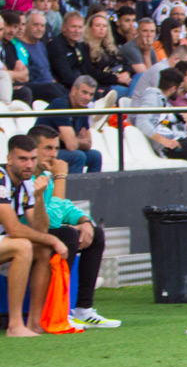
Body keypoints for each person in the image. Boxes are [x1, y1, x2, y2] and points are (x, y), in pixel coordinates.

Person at [26, 126, 120, 327]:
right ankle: (60, 310)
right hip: (26, 235)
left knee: (95, 234)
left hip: (41, 232)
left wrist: (84, 221)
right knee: (67, 234)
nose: (54, 154)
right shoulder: (28, 178)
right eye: (48, 148)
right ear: (33, 149)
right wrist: (61, 178)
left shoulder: (46, 175)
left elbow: (64, 206)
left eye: (56, 148)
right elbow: (51, 222)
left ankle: (83, 309)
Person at [1, 134, 67, 337]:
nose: (29, 165)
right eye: (22, 159)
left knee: (42, 249)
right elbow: (14, 228)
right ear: (9, 158)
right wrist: (54, 240)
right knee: (23, 245)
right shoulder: (1, 179)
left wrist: (39, 198)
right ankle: (15, 325)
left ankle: (34, 322)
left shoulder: (27, 182)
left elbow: (40, 228)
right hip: (6, 239)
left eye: (32, 159)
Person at [36, 74, 103, 173]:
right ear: (73, 90)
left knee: (96, 156)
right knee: (77, 156)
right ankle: (71, 188)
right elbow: (71, 145)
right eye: (84, 92)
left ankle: (91, 188)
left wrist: (72, 140)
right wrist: (77, 140)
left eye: (91, 94)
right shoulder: (60, 105)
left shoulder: (84, 110)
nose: (87, 97)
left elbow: (88, 143)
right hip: (44, 151)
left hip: (62, 150)